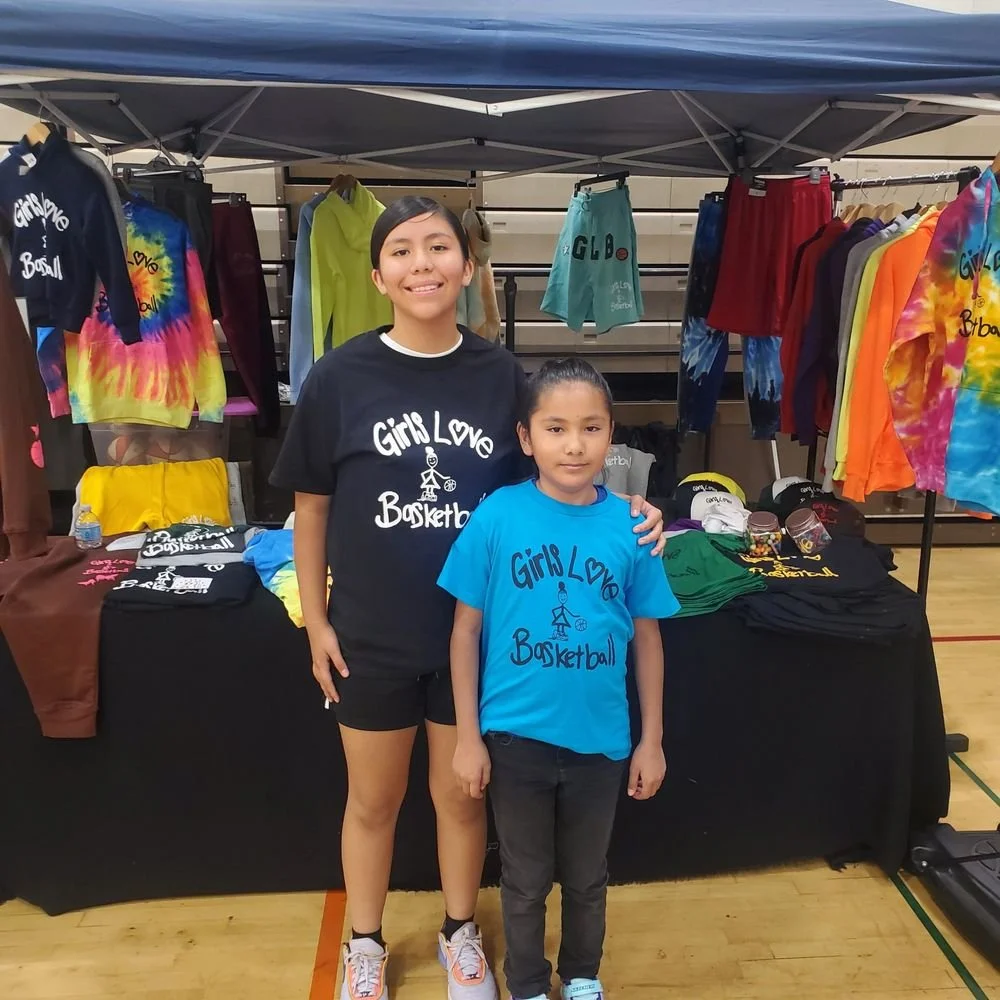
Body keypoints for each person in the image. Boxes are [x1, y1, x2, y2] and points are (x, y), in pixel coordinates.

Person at [269, 197, 666, 1000]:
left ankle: (459, 935)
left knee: (460, 795)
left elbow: (560, 469)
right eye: (404, 250)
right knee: (372, 801)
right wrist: (315, 621)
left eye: (439, 247)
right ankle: (367, 945)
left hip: (475, 644)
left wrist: (630, 506)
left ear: (467, 266)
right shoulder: (340, 377)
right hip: (370, 636)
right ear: (377, 274)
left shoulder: (501, 378)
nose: (423, 263)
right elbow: (310, 511)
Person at [439, 358, 679, 1000]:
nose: (574, 445)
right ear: (526, 437)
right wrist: (468, 736)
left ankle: (580, 981)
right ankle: (526, 986)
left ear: (611, 435)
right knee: (523, 879)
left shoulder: (633, 525)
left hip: (600, 743)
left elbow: (649, 640)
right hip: (514, 740)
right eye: (555, 428)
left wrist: (650, 741)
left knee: (586, 877)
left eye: (591, 428)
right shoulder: (497, 515)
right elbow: (464, 632)